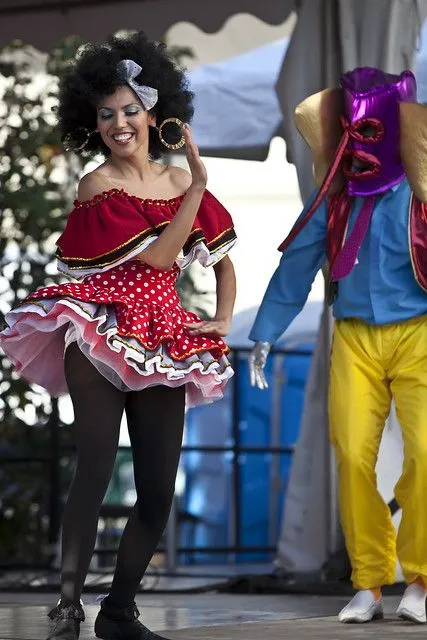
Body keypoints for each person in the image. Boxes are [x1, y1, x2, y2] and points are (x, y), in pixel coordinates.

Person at [0, 32, 237, 640]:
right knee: (96, 467)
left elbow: (223, 260)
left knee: (159, 488)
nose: (119, 123)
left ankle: (119, 610)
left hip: (165, 337)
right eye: (106, 114)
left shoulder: (180, 181)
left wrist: (223, 316)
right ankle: (68, 605)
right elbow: (160, 258)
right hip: (99, 329)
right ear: (93, 122)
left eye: (130, 109)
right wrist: (199, 184)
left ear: (155, 114)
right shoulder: (97, 184)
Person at [248, 67, 427, 624]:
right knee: (352, 455)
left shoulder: (423, 194)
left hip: (420, 332)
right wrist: (264, 334)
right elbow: (297, 261)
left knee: (426, 454)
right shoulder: (337, 197)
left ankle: (421, 579)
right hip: (353, 335)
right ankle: (369, 583)